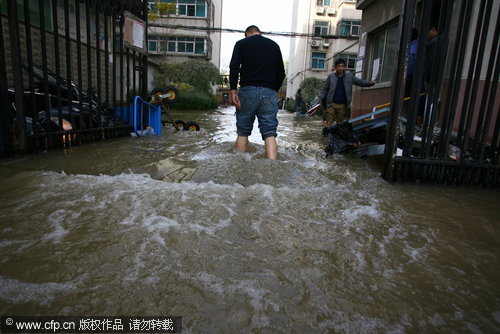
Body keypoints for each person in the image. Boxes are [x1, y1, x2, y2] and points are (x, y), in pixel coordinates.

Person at [229, 25, 286, 159]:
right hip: (269, 92)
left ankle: (239, 165)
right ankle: (272, 165)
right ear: (259, 33)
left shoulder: (241, 44)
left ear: (247, 34)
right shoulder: (274, 45)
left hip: (247, 91)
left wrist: (233, 91)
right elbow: (281, 73)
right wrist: (273, 90)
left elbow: (234, 67)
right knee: (269, 132)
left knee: (243, 132)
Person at [318, 59, 376, 127]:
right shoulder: (331, 77)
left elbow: (359, 82)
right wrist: (320, 97)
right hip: (331, 104)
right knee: (329, 122)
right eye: (339, 66)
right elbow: (325, 88)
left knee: (340, 125)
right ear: (336, 67)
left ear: (344, 67)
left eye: (342, 66)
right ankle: (326, 136)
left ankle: (337, 136)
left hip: (343, 105)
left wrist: (369, 83)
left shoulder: (349, 76)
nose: (341, 68)